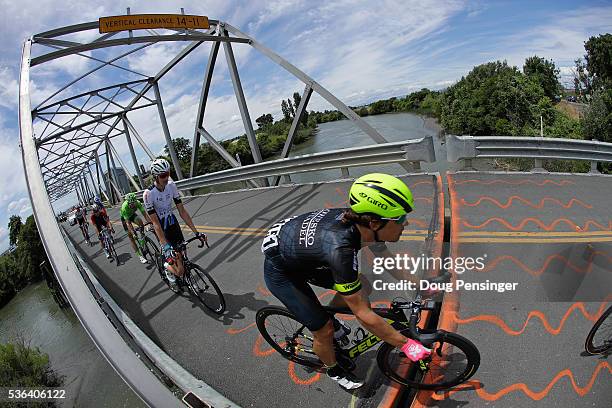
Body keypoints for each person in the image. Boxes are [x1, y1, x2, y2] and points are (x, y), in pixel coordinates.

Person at [261, 173, 431, 390]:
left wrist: (418, 283)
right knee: (324, 330)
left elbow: (386, 259)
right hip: (283, 273)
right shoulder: (340, 250)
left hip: (305, 255)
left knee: (363, 285)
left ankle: (330, 316)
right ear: (375, 222)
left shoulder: (364, 226)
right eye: (399, 219)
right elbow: (364, 315)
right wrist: (406, 345)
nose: (405, 222)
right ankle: (333, 369)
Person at [143, 158, 206, 290]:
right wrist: (164, 245)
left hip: (172, 223)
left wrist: (196, 232)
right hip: (162, 228)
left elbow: (182, 211)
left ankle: (183, 273)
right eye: (163, 175)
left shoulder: (171, 186)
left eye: (168, 173)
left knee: (183, 255)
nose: (166, 178)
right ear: (155, 176)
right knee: (179, 270)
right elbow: (155, 223)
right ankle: (167, 269)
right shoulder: (149, 194)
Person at [121, 192, 152, 264]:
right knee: (131, 236)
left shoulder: (138, 203)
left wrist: (151, 223)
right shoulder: (124, 207)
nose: (132, 205)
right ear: (128, 203)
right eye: (131, 204)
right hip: (125, 218)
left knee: (140, 222)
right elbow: (128, 223)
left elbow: (145, 214)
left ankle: (142, 238)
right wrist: (133, 232)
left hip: (132, 215)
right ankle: (140, 256)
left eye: (133, 204)